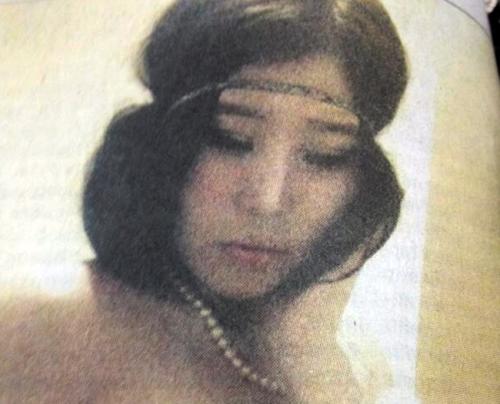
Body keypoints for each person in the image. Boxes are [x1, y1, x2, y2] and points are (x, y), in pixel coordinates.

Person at [2, 0, 407, 402]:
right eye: (230, 139)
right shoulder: (36, 323)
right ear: (164, 147)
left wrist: (309, 364)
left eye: (323, 155)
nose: (267, 200)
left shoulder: (353, 369)